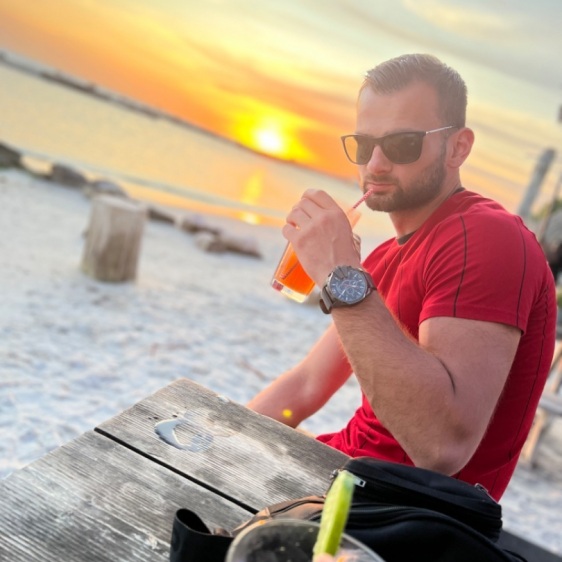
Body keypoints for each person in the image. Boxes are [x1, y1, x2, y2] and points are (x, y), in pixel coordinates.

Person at [248, 53, 557, 501]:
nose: (374, 164)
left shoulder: (487, 235)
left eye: (402, 143)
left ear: (458, 147)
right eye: (363, 145)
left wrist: (338, 274)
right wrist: (227, 437)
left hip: (394, 515)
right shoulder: (384, 259)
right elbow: (307, 384)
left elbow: (442, 445)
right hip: (342, 477)